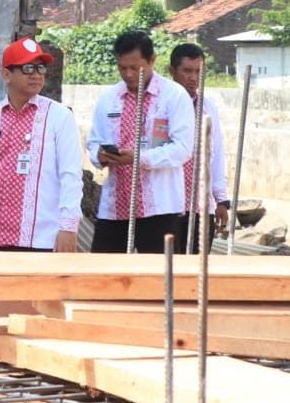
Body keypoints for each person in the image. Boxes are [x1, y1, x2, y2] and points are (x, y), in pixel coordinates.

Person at [0, 38, 82, 252]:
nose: (36, 74)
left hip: (43, 238)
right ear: (7, 74)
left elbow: (70, 176)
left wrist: (68, 227)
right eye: (28, 68)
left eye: (41, 67)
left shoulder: (59, 117)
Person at [87, 31, 194, 253]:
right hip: (115, 206)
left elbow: (183, 149)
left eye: (135, 68)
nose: (128, 74)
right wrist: (101, 155)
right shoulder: (109, 98)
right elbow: (93, 143)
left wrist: (139, 158)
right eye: (122, 67)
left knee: (159, 278)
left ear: (152, 60)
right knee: (104, 276)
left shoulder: (174, 96)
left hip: (160, 207)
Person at [170, 43, 230, 250]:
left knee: (196, 269)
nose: (193, 77)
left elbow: (216, 154)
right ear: (172, 72)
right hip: (169, 204)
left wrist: (221, 199)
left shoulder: (207, 107)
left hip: (200, 204)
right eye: (187, 71)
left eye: (198, 71)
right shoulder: (162, 106)